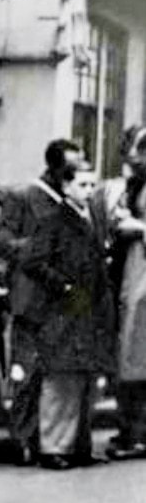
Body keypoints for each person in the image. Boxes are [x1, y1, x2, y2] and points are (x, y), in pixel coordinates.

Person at [0, 138, 84, 465]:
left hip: (62, 300)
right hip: (32, 299)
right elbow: (2, 241)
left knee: (57, 372)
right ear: (54, 166)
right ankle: (23, 440)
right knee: (27, 373)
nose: (76, 171)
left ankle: (52, 441)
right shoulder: (24, 196)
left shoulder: (74, 200)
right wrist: (39, 248)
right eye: (72, 165)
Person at [22, 164, 114, 469]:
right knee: (60, 380)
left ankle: (76, 447)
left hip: (85, 309)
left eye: (92, 185)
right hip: (62, 310)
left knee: (82, 379)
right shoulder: (54, 221)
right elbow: (33, 262)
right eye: (83, 185)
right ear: (66, 187)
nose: (89, 191)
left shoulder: (89, 219)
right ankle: (52, 448)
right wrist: (63, 285)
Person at [105, 125, 146, 458]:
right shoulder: (132, 186)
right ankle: (129, 429)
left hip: (142, 275)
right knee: (127, 352)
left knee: (138, 353)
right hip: (130, 273)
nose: (134, 156)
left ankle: (139, 433)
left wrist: (137, 227)